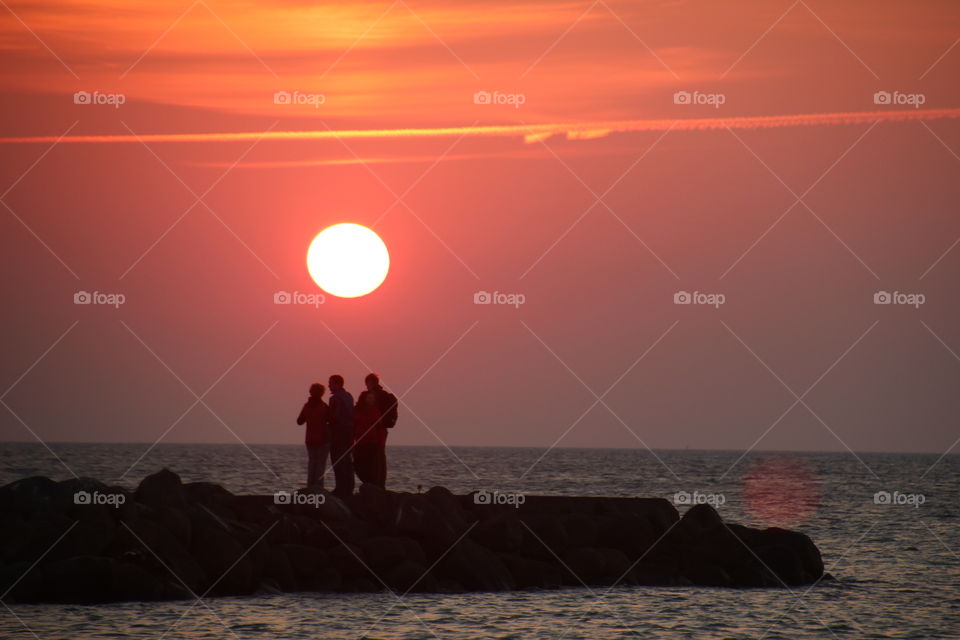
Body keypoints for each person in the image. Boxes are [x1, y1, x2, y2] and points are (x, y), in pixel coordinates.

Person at [353, 372, 397, 488]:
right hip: (380, 431)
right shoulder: (385, 396)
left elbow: (357, 411)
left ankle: (373, 483)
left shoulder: (369, 396)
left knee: (371, 458)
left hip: (373, 432)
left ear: (370, 383)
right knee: (379, 458)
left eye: (367, 383)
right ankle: (378, 484)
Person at [295, 383, 329, 491]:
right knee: (320, 464)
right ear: (322, 393)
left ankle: (310, 486)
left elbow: (299, 421)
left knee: (312, 462)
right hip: (323, 438)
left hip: (310, 439)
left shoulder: (307, 406)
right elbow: (331, 420)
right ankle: (318, 487)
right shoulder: (324, 407)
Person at [326, 374, 355, 499]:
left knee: (337, 460)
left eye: (330, 383)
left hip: (338, 433)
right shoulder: (349, 396)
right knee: (347, 460)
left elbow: (334, 417)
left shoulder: (335, 399)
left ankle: (340, 488)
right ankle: (349, 488)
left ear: (337, 384)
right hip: (349, 433)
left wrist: (328, 423)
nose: (329, 386)